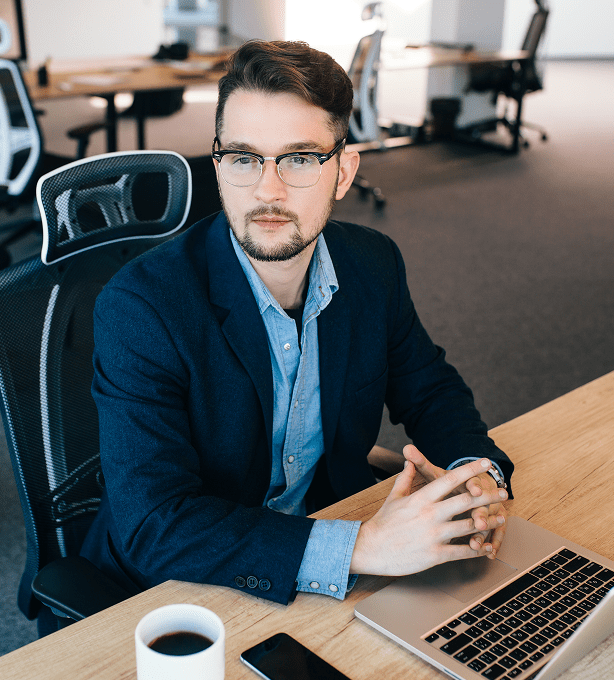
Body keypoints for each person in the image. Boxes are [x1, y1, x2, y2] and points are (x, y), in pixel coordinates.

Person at [80, 40, 513, 605]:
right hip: (178, 588)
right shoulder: (141, 307)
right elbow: (156, 526)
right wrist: (364, 547)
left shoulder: (372, 264)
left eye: (301, 159)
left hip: (323, 543)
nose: (267, 190)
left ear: (343, 171)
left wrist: (475, 478)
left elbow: (430, 389)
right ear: (218, 168)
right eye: (243, 158)